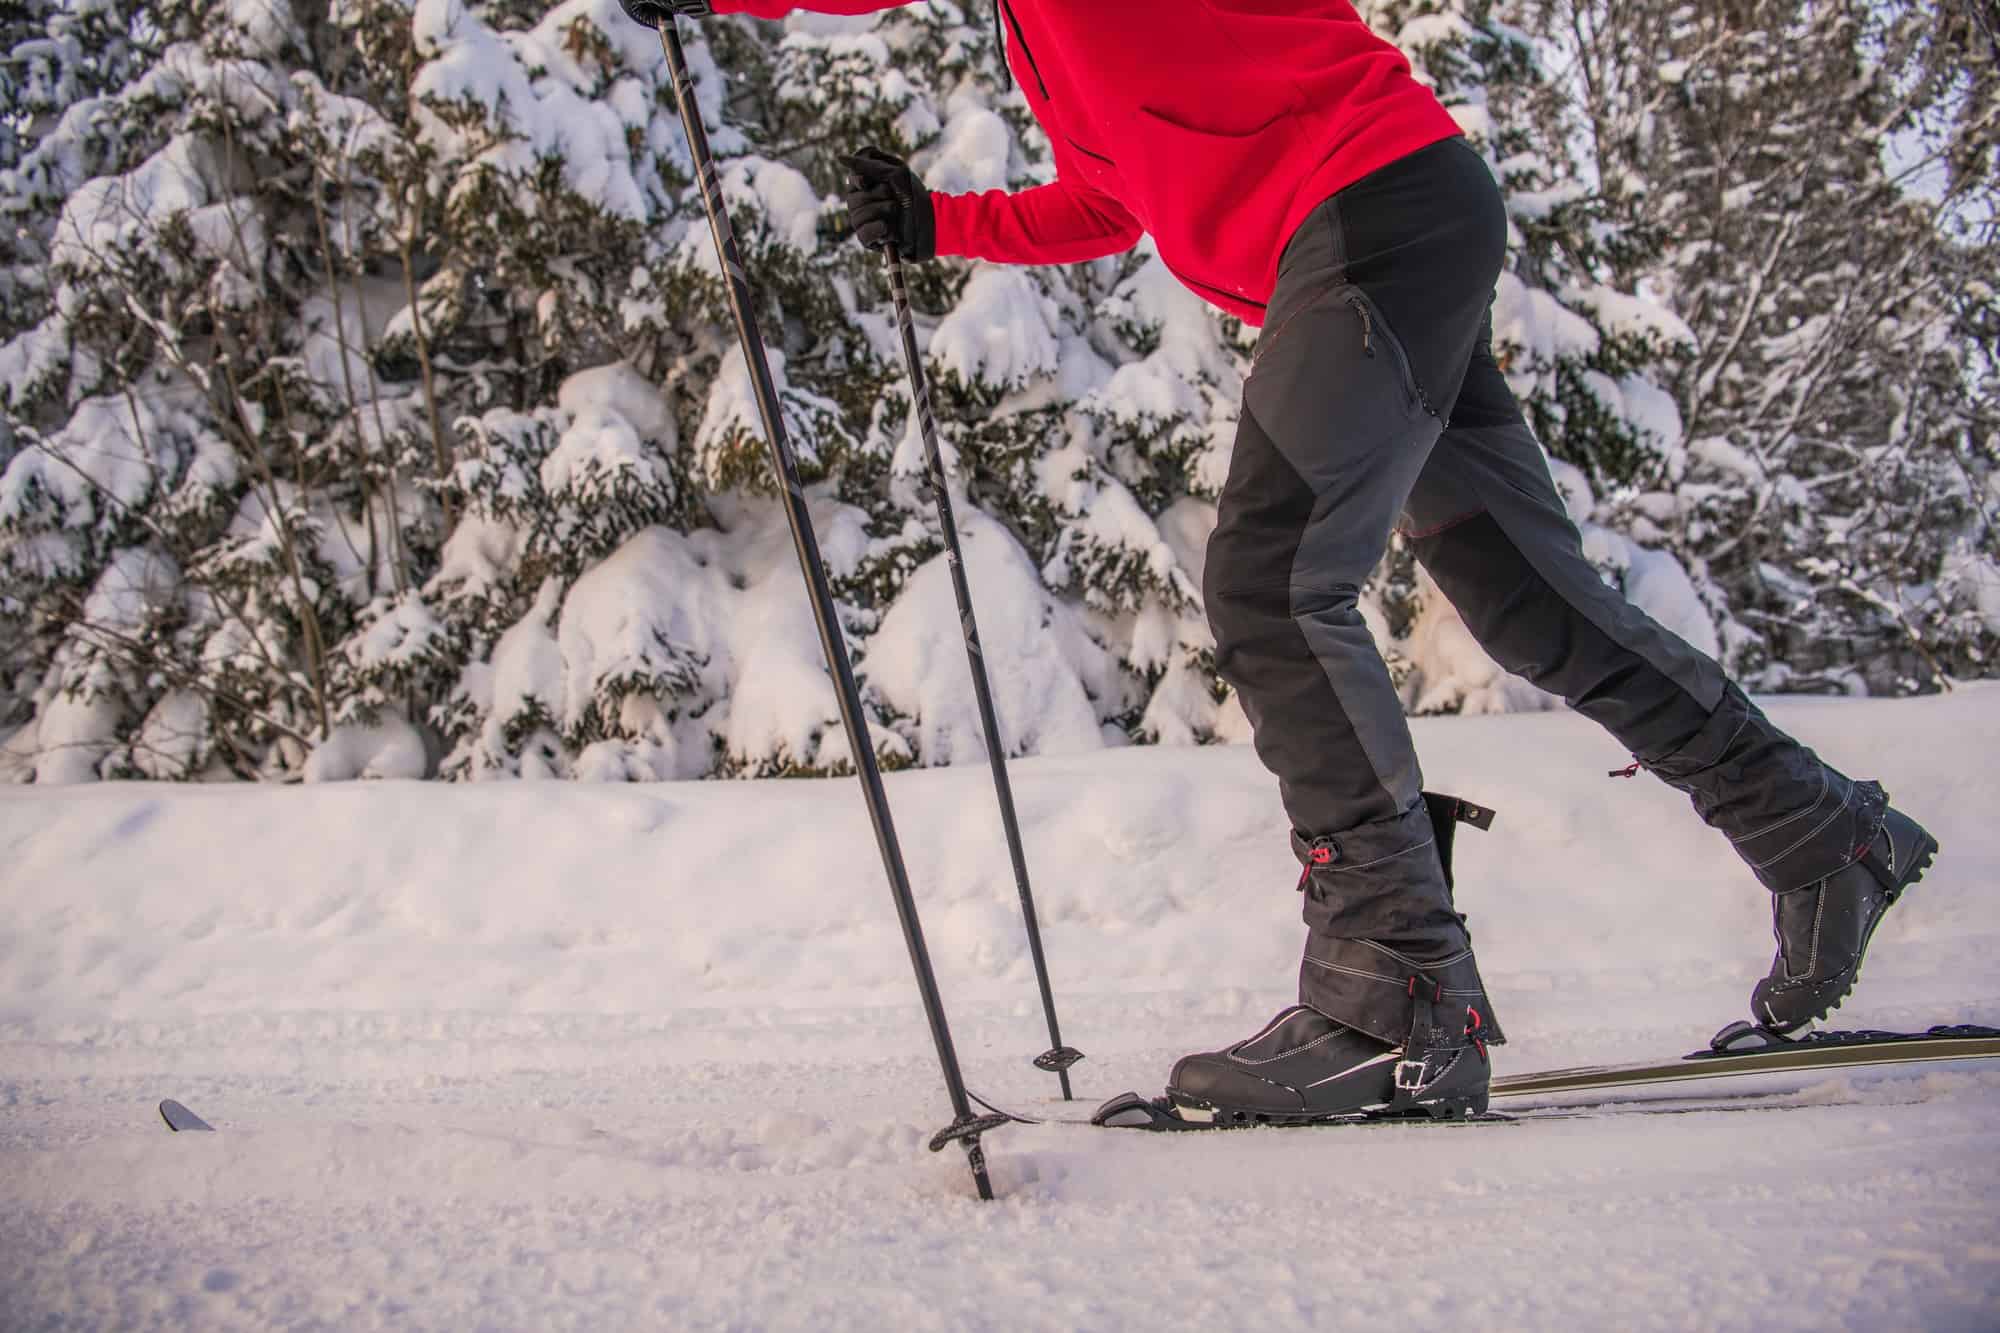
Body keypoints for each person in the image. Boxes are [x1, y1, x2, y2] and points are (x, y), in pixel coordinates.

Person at [619, 0, 1938, 1122]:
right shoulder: (1051, 38)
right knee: (1533, 610)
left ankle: (1394, 990)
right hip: (1391, 230)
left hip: (1372, 216)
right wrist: (942, 225)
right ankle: (1823, 834)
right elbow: (1111, 199)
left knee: (1268, 581)